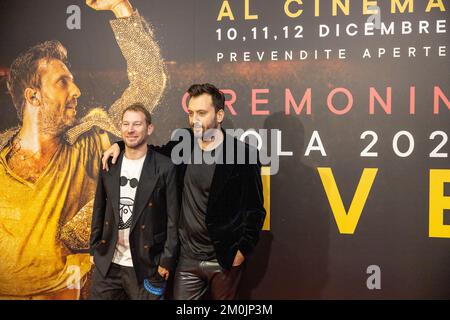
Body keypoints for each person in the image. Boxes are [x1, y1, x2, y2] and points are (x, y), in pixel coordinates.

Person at [0, 0, 166, 299]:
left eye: (73, 81)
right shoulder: (1, 157)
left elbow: (149, 81)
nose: (76, 91)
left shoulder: (91, 141)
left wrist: (122, 9)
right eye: (63, 82)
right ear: (33, 96)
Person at [102, 83, 266, 300]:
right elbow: (152, 153)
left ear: (219, 115)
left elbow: (255, 211)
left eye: (201, 113)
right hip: (187, 259)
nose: (194, 120)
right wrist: (120, 145)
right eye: (191, 113)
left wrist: (240, 253)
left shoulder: (243, 155)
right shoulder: (184, 142)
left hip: (224, 260)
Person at [89, 103, 178, 300]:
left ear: (149, 128)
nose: (130, 130)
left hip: (146, 267)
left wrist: (166, 260)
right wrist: (94, 248)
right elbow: (99, 209)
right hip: (108, 265)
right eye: (126, 124)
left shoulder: (164, 167)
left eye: (137, 124)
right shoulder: (109, 163)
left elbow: (174, 220)